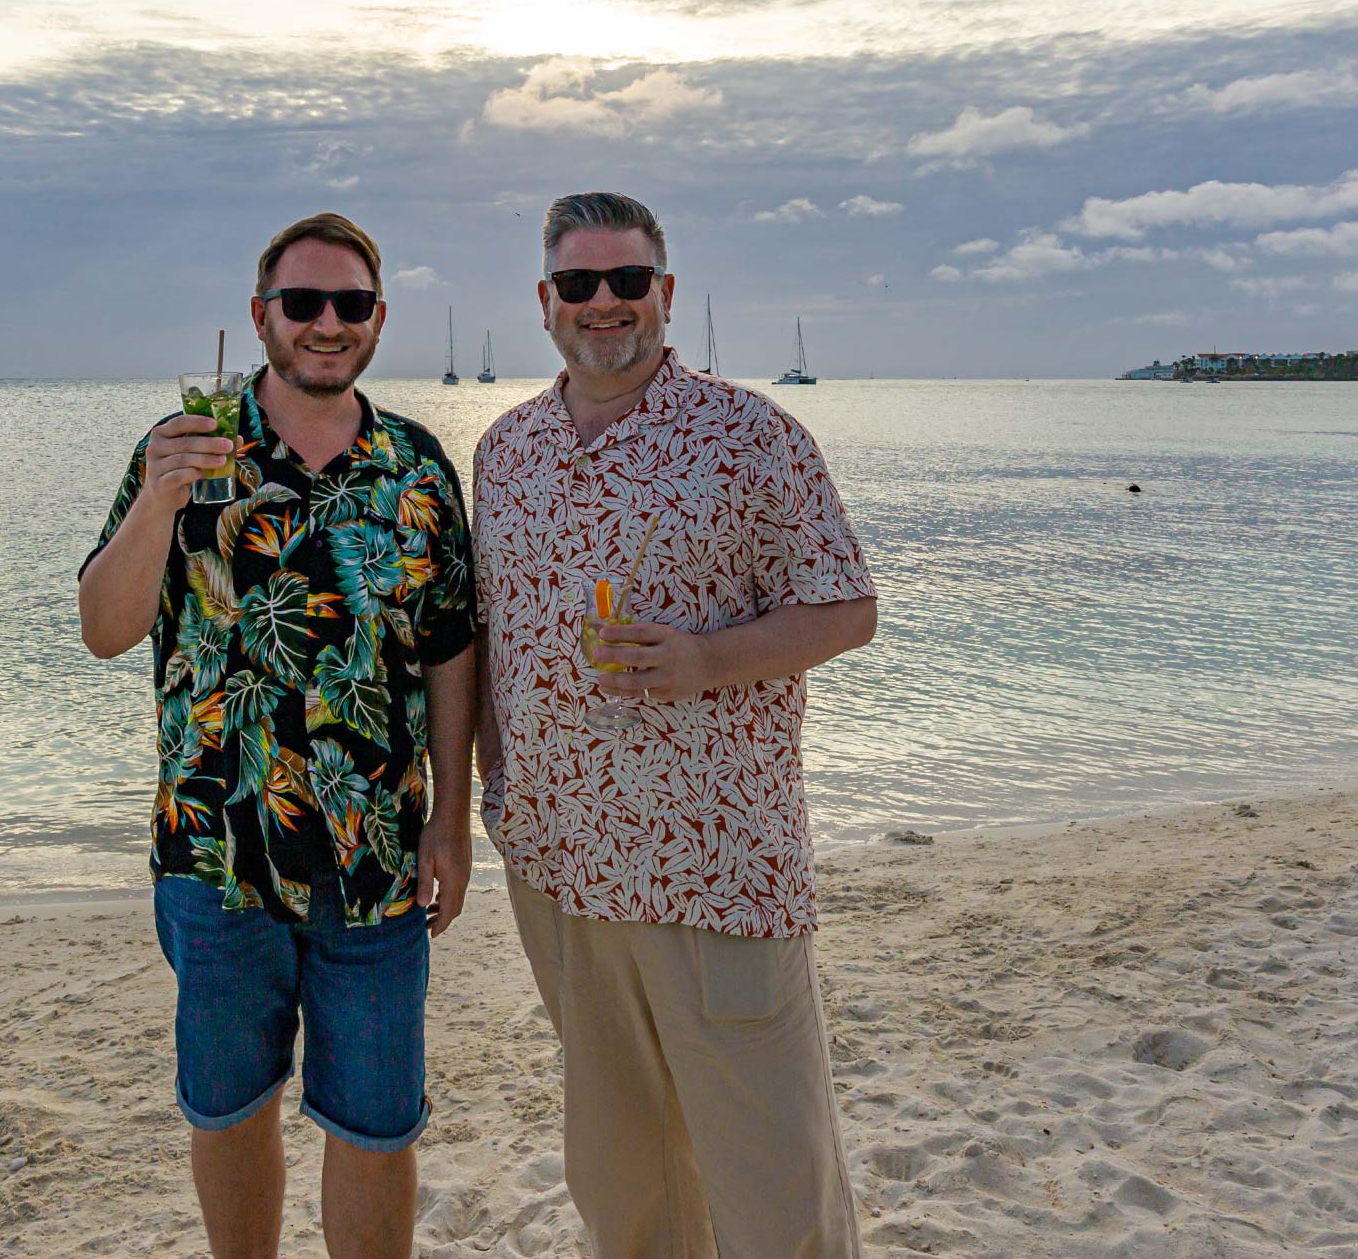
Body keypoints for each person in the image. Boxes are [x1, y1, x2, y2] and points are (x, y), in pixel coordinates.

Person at [472, 191, 878, 1259]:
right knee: (622, 1179)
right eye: (577, 284)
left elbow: (846, 607)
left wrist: (703, 659)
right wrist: (469, 806)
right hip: (555, 863)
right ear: (544, 303)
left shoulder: (751, 437)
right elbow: (484, 642)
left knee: (771, 1179)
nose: (602, 304)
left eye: (624, 281)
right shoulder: (504, 453)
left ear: (663, 292)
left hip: (711, 866)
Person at [77, 213, 477, 1259]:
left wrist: (452, 823)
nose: (326, 324)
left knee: (377, 1124)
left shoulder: (417, 470)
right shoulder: (180, 450)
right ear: (260, 318)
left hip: (378, 859)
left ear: (378, 320)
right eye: (303, 304)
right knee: (230, 1106)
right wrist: (158, 503)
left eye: (350, 304)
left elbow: (447, 652)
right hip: (215, 852)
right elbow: (102, 629)